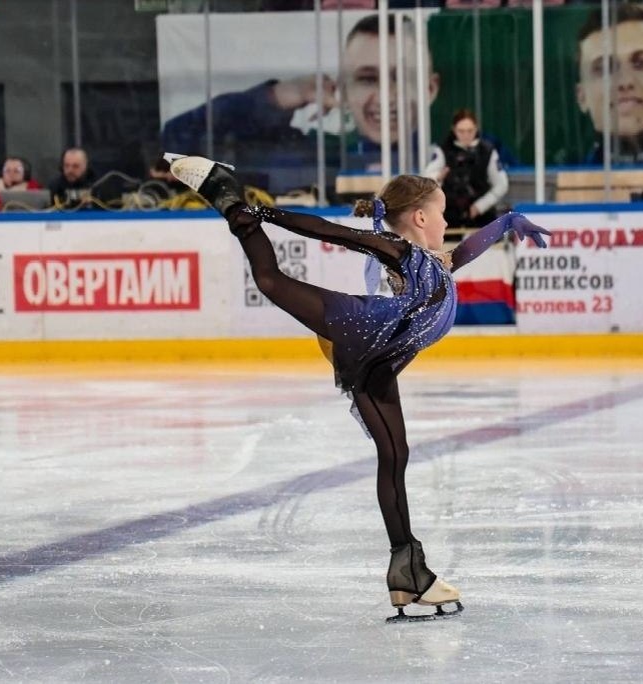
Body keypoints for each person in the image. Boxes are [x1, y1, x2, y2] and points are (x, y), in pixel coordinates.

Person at [164, 152, 551, 622]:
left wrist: (506, 221)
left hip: (379, 362)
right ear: (421, 217)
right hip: (360, 328)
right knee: (270, 280)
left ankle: (407, 572)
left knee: (395, 456)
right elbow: (335, 233)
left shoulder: (436, 264)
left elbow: (465, 251)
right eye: (443, 212)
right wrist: (262, 213)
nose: (448, 221)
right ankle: (227, 196)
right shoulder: (402, 252)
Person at [161, 13, 440, 195]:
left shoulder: (451, 157)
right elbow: (177, 140)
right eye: (367, 79)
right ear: (343, 89)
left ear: (430, 89)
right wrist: (279, 96)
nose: (386, 96)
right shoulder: (315, 154)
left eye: (404, 78)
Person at [575, 3, 643, 165]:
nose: (624, 81)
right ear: (582, 97)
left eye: (641, 63)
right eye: (604, 68)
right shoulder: (557, 175)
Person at [423, 108, 509, 228]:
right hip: (449, 217)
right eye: (461, 131)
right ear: (454, 130)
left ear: (476, 129)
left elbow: (501, 185)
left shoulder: (487, 151)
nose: (466, 135)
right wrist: (438, 178)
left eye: (470, 131)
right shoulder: (443, 150)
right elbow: (426, 179)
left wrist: (480, 206)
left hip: (482, 216)